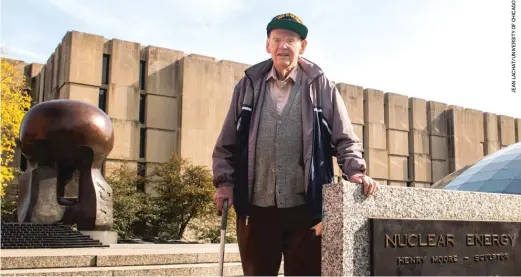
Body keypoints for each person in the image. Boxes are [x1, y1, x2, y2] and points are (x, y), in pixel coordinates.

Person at [212, 12, 379, 276]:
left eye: (290, 40)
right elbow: (226, 145)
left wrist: (355, 171)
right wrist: (224, 184)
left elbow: (344, 136)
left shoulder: (319, 86)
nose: (283, 46)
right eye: (277, 39)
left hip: (307, 209)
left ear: (302, 46)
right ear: (267, 45)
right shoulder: (247, 86)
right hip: (256, 210)